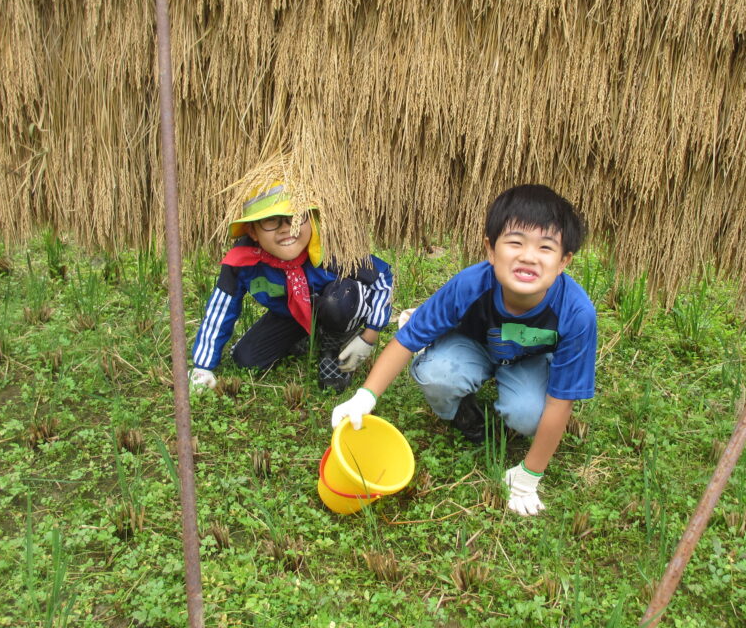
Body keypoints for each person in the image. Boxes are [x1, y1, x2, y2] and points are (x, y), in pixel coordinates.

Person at [331, 184, 596, 517]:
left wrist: (530, 476)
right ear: (491, 249)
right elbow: (405, 339)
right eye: (515, 242)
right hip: (471, 347)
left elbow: (562, 399)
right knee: (438, 375)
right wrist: (365, 397)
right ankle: (462, 413)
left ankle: (509, 414)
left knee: (531, 414)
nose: (528, 256)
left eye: (546, 247)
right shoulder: (470, 284)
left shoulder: (577, 313)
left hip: (527, 360)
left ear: (564, 261)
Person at [189, 182, 393, 393]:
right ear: (253, 232)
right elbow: (221, 309)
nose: (286, 228)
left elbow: (382, 278)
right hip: (290, 315)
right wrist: (203, 366)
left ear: (311, 220)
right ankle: (308, 335)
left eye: (295, 217)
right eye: (270, 220)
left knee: (338, 301)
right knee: (246, 359)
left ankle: (334, 348)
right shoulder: (242, 261)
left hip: (339, 305)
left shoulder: (330, 251)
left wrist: (369, 336)